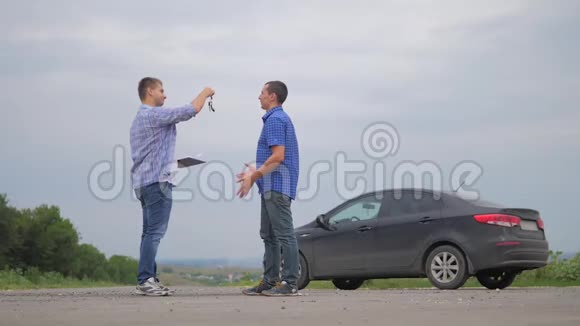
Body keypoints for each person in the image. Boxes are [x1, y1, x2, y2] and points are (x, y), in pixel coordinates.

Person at [130, 77, 214, 296]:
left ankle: (148, 278)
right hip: (157, 183)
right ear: (150, 91)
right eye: (161, 90)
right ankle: (146, 280)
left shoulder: (139, 119)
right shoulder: (153, 115)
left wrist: (176, 163)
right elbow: (189, 110)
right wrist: (205, 92)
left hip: (144, 182)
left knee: (148, 233)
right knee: (154, 233)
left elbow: (152, 154)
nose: (165, 95)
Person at [237, 81, 301, 296]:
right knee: (269, 235)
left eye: (262, 93)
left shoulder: (275, 119)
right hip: (270, 186)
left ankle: (290, 283)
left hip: (277, 186)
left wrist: (254, 176)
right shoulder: (277, 119)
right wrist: (255, 169)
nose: (259, 97)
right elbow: (273, 158)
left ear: (272, 96)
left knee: (283, 235)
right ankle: (270, 280)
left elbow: (278, 156)